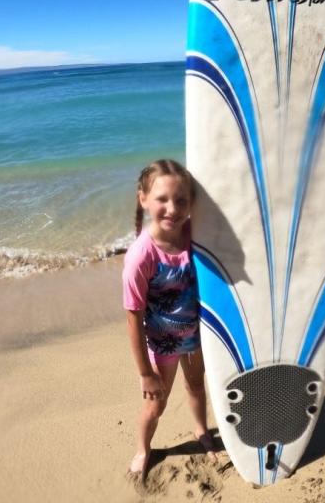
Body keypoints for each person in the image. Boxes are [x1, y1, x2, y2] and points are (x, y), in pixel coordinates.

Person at [123, 159, 214, 478]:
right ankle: (143, 449)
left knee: (196, 387)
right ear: (143, 199)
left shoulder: (194, 234)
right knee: (155, 404)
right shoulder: (141, 256)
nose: (172, 209)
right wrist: (145, 372)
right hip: (163, 345)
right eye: (162, 199)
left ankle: (201, 430)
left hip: (196, 337)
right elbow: (132, 317)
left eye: (181, 200)